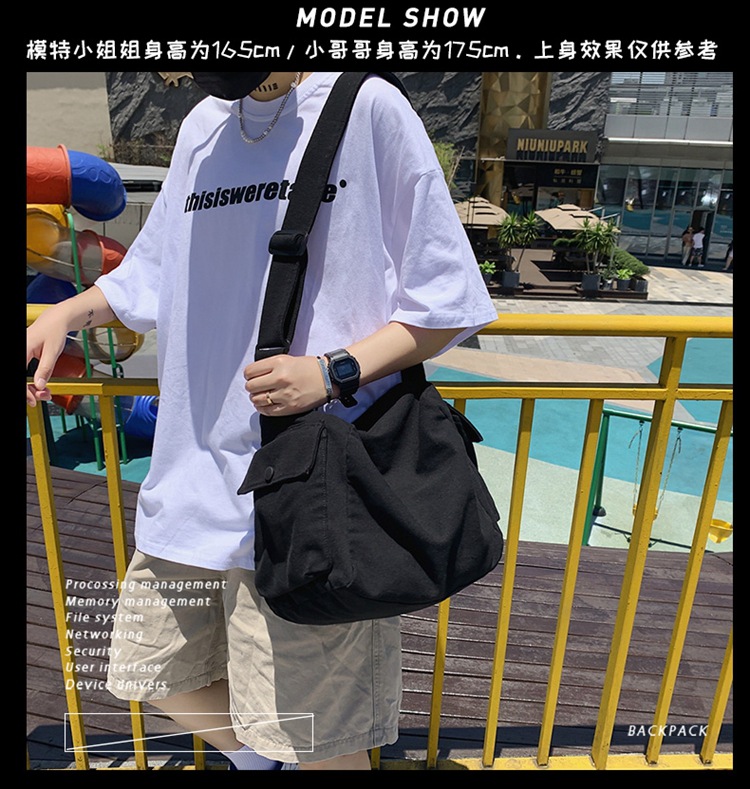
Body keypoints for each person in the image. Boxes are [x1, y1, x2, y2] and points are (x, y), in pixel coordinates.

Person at [26, 72, 499, 770]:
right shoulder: (204, 126)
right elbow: (151, 275)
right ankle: (258, 760)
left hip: (309, 489)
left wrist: (333, 370)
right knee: (150, 670)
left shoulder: (366, 106)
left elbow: (449, 300)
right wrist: (69, 311)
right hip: (190, 481)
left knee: (317, 737)